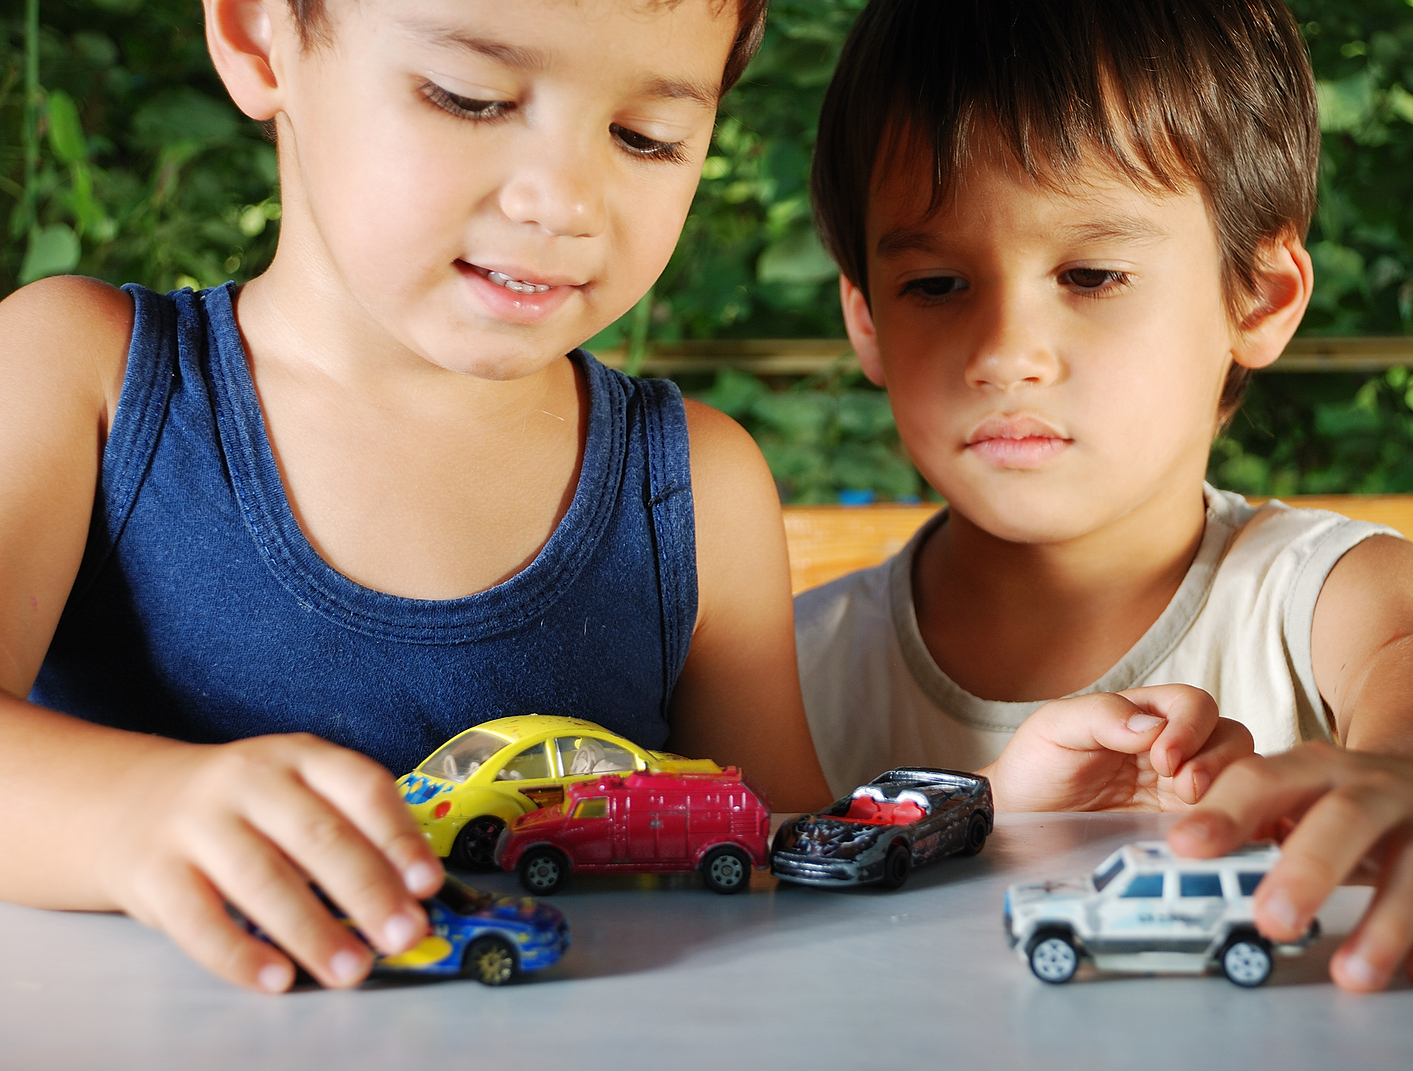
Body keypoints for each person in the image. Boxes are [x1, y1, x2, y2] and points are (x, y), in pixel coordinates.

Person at [0, 0, 829, 993]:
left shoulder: (697, 484)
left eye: (644, 138)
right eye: (470, 98)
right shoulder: (78, 375)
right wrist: (132, 813)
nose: (564, 201)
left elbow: (782, 865)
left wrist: (1016, 818)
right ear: (260, 35)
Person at [797, 0, 1413, 992]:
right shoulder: (792, 666)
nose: (1006, 353)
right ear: (867, 320)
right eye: (935, 284)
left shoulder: (1314, 593)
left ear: (1258, 297)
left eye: (1092, 273)